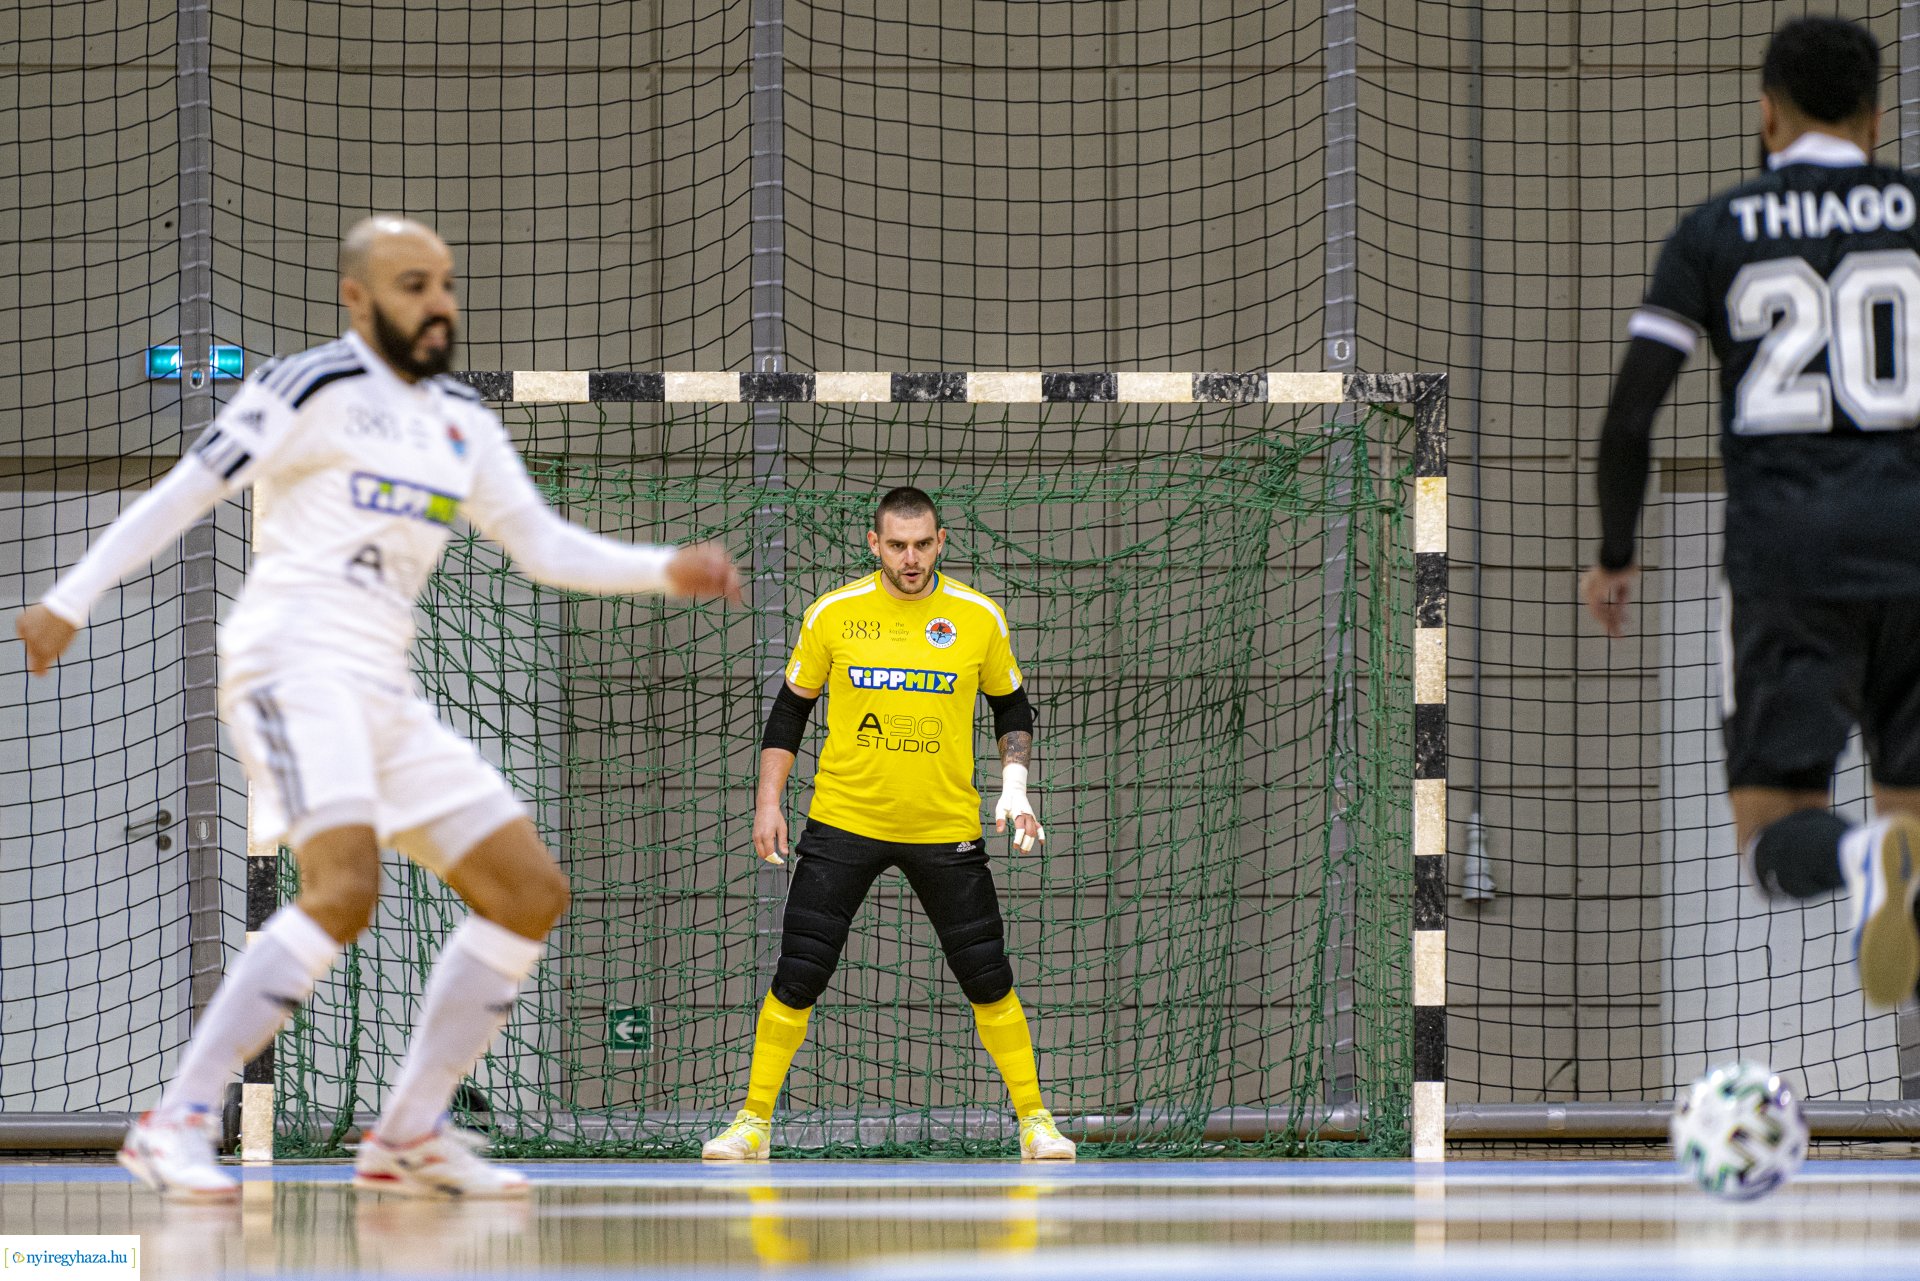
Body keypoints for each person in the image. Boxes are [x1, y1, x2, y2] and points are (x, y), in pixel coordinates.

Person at [15, 215, 742, 1199]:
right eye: (412, 284)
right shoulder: (307, 386)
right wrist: (69, 598)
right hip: (290, 662)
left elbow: (543, 547)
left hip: (383, 688)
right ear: (357, 299)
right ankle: (176, 1118)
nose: (437, 303)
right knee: (344, 889)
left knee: (527, 891)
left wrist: (666, 568)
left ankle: (405, 1134)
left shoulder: (460, 421)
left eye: (443, 283)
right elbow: (182, 495)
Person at [1583, 17, 1920, 1008]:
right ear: (1877, 114)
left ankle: (1860, 861)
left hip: (1789, 557)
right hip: (1914, 542)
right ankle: (1889, 854)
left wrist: (1615, 553)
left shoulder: (1718, 229)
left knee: (1773, 832)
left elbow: (1631, 414)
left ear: (1766, 112)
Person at [700, 486, 1075, 1161]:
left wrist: (1014, 788)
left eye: (922, 543)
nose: (911, 557)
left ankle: (1036, 1121)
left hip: (945, 825)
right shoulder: (833, 614)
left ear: (941, 542)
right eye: (897, 545)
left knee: (986, 972)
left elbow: (1013, 710)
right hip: (844, 820)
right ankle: (752, 1122)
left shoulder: (977, 617)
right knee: (799, 970)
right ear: (874, 544)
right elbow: (790, 712)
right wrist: (767, 801)